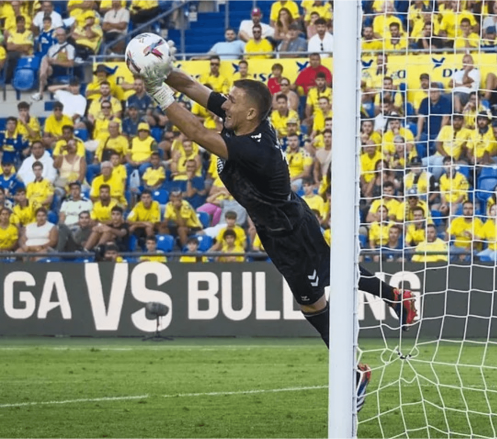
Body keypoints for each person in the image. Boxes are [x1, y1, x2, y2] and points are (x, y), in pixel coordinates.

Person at [141, 60, 418, 410]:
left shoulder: (255, 149)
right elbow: (196, 88)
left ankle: (353, 371)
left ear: (251, 112)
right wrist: (162, 68)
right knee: (330, 271)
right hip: (286, 219)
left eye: (232, 101)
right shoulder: (241, 119)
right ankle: (394, 294)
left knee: (312, 302)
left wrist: (158, 91)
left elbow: (197, 133)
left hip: (287, 233)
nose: (225, 104)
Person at [32, 27, 75, 102]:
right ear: (56, 36)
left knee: (45, 59)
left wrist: (56, 62)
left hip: (62, 69)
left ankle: (40, 90)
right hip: (51, 69)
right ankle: (43, 78)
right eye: (58, 35)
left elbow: (71, 64)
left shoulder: (70, 48)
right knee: (46, 61)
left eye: (62, 35)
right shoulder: (52, 48)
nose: (60, 37)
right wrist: (52, 61)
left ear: (65, 36)